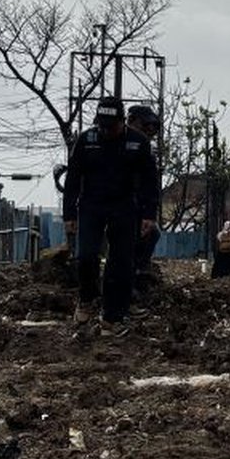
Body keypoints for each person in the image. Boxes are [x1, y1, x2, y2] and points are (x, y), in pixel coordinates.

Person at [62, 96, 160, 336]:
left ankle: (112, 318)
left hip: (125, 206)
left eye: (112, 127)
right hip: (91, 205)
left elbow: (150, 181)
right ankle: (86, 299)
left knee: (121, 263)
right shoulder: (87, 141)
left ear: (122, 122)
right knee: (86, 255)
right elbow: (73, 178)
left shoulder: (138, 143)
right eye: (102, 126)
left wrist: (149, 213)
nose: (107, 131)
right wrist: (69, 214)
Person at [126, 104, 163, 295]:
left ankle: (138, 273)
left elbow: (151, 182)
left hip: (137, 204)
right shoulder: (119, 143)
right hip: (115, 204)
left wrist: (149, 212)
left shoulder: (144, 148)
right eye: (144, 125)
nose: (149, 130)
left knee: (151, 233)